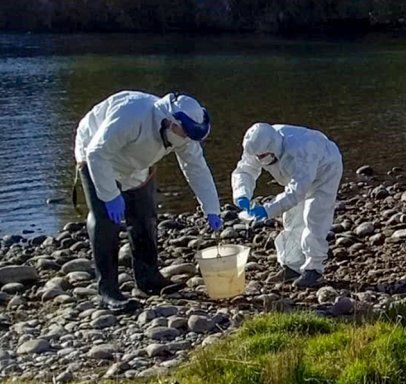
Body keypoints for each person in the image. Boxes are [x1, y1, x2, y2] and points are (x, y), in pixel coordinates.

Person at [74, 91, 222, 312]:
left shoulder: (183, 133)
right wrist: (110, 195)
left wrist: (212, 208)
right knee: (105, 219)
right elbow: (97, 152)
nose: (189, 141)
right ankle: (108, 291)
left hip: (137, 164)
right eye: (186, 134)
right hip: (96, 154)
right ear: (170, 123)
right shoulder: (131, 115)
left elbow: (196, 168)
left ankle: (148, 278)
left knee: (145, 215)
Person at [231, 123, 343, 289]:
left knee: (314, 217)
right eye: (257, 156)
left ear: (273, 148)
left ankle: (314, 270)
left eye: (262, 156)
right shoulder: (257, 145)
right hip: (298, 175)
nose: (259, 160)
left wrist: (267, 210)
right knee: (291, 218)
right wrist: (242, 194)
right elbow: (244, 171)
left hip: (325, 170)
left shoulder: (302, 149)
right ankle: (292, 266)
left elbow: (296, 192)